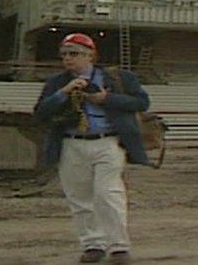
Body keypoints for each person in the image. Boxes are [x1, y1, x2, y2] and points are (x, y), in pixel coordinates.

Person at [33, 33, 151, 264]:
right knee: (79, 196)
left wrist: (106, 100)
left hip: (107, 141)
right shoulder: (57, 82)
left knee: (108, 193)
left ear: (90, 56)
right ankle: (92, 244)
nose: (68, 59)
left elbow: (141, 102)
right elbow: (40, 113)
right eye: (64, 54)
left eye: (74, 54)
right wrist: (63, 93)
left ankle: (118, 246)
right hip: (72, 142)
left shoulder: (118, 78)